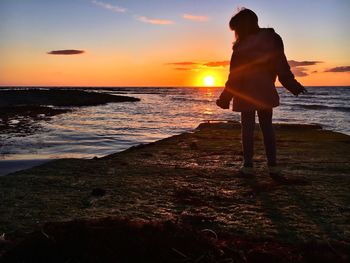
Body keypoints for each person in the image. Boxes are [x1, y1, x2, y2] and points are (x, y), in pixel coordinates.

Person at [216, 8, 307, 177]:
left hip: (245, 93)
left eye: (236, 29)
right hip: (265, 89)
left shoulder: (241, 46)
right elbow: (282, 66)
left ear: (242, 26)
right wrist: (292, 85)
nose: (235, 33)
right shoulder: (273, 38)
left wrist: (225, 97)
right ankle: (272, 166)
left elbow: (235, 76)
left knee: (247, 129)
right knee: (267, 128)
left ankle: (248, 166)